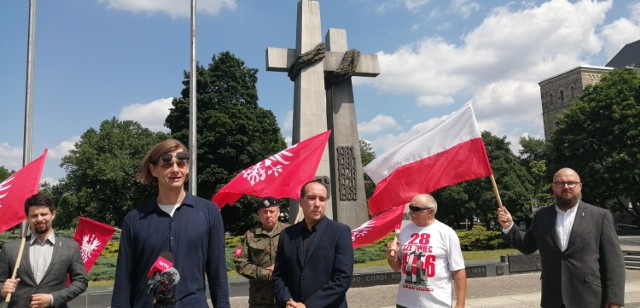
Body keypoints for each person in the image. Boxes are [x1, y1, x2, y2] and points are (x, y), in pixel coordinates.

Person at [111, 138, 230, 307]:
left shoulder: (209, 212)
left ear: (187, 167)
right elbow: (124, 281)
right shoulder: (135, 219)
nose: (175, 169)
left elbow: (217, 274)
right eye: (167, 164)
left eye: (181, 163)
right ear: (153, 169)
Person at [497, 167, 625, 307]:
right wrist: (509, 226)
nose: (566, 187)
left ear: (580, 186)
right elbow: (527, 246)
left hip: (589, 297)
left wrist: (614, 299)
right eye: (560, 183)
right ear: (553, 187)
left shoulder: (600, 216)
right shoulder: (542, 216)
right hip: (553, 298)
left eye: (571, 183)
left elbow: (614, 261)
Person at [272, 180, 353, 308]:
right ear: (301, 201)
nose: (317, 204)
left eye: (322, 199)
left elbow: (342, 278)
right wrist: (286, 299)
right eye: (311, 198)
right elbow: (279, 275)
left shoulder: (340, 232)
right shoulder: (287, 234)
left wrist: (308, 306)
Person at [0, 193, 88, 307]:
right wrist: (3, 290)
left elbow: (81, 281)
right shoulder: (10, 248)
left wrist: (53, 298)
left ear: (53, 214)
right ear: (28, 218)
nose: (39, 219)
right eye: (34, 215)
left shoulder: (70, 247)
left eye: (43, 214)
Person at [386, 194, 467, 308]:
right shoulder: (404, 231)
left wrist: (460, 304)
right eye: (410, 208)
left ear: (430, 211)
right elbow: (396, 267)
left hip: (436, 304)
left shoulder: (446, 233)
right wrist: (391, 256)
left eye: (416, 209)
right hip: (405, 303)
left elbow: (458, 270)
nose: (411, 212)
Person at [234, 197, 289, 308]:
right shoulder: (249, 235)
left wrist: (281, 267)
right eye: (264, 212)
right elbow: (239, 263)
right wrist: (265, 274)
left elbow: (301, 259)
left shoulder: (290, 233)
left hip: (287, 296)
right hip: (260, 298)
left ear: (278, 212)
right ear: (259, 214)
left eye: (272, 211)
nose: (268, 215)